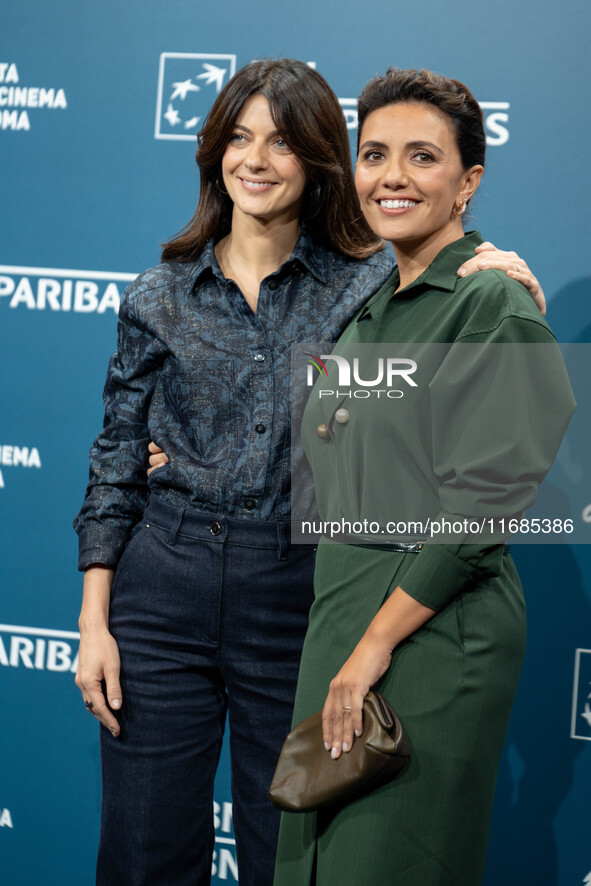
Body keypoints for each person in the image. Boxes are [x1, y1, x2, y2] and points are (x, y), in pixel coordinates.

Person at [73, 58, 546, 886]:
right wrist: (94, 621)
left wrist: (508, 281)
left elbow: (448, 323)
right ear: (214, 152)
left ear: (318, 160)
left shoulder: (366, 286)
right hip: (165, 581)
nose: (255, 160)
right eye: (238, 138)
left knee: (286, 851)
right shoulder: (159, 294)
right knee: (143, 852)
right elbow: (116, 459)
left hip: (299, 585)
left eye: (283, 142)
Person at [273, 69, 575, 886]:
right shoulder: (372, 308)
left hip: (429, 638)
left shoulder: (492, 305)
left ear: (467, 181)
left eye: (421, 157)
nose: (392, 177)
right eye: (374, 155)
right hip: (343, 629)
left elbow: (484, 502)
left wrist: (372, 647)